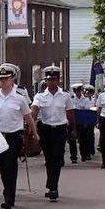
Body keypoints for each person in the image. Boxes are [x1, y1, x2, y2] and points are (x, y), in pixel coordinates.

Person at [0, 63, 37, 209]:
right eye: (1, 79)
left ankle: (9, 198)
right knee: (2, 168)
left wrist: (34, 133)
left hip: (14, 137)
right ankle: (7, 190)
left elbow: (28, 118)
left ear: (12, 78)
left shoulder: (20, 99)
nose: (3, 81)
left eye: (6, 78)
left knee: (10, 166)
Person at [30, 65, 75, 201]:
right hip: (46, 130)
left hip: (60, 130)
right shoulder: (40, 96)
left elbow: (70, 114)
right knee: (49, 159)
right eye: (49, 80)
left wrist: (73, 130)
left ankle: (53, 187)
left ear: (58, 80)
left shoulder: (65, 96)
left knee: (56, 158)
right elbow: (34, 109)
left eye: (54, 79)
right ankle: (52, 185)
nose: (51, 82)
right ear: (46, 81)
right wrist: (31, 117)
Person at [75, 84, 97, 161]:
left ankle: (88, 153)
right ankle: (83, 154)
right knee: (81, 139)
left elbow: (89, 110)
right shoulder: (73, 99)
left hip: (88, 122)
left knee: (89, 138)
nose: (88, 93)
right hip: (79, 122)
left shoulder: (88, 100)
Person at [67, 82, 85, 163]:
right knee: (72, 140)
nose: (78, 92)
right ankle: (73, 157)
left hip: (81, 122)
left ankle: (83, 155)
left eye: (79, 91)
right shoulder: (71, 100)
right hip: (72, 122)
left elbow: (87, 110)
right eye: (76, 91)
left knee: (82, 140)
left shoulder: (85, 100)